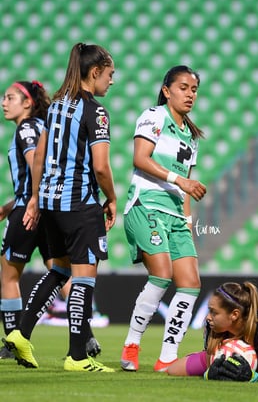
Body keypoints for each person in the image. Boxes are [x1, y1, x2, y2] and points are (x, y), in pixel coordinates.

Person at [2, 42, 116, 372]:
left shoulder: (55, 107)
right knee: (83, 277)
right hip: (79, 204)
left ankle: (20, 334)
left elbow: (38, 156)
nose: (111, 81)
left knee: (59, 270)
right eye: (110, 75)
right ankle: (77, 357)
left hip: (50, 203)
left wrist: (36, 198)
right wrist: (111, 198)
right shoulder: (96, 112)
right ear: (94, 72)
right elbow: (101, 167)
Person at [120, 65, 207, 373]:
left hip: (174, 214)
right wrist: (179, 180)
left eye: (194, 89)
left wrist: (187, 222)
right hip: (146, 204)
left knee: (191, 282)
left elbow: (185, 187)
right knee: (162, 273)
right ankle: (131, 345)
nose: (190, 94)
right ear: (167, 90)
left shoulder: (191, 136)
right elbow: (140, 159)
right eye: (183, 87)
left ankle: (167, 356)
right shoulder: (154, 116)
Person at [0, 80, 52, 360]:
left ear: (27, 103)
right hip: (46, 208)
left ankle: (11, 341)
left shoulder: (26, 128)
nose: (4, 103)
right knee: (59, 271)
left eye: (10, 98)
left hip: (29, 209)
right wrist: (9, 205)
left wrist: (30, 201)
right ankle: (86, 336)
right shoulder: (43, 128)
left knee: (8, 273)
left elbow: (35, 165)